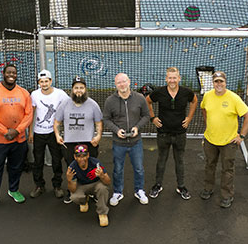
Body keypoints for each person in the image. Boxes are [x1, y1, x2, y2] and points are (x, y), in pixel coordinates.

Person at [0, 64, 33, 212]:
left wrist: (17, 130)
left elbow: (29, 115)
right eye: (9, 72)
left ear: (16, 75)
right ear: (3, 73)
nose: (11, 75)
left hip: (19, 139)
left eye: (14, 73)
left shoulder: (24, 93)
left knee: (15, 167)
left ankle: (13, 189)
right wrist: (5, 131)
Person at [199, 71, 248, 209]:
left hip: (229, 142)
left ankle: (227, 195)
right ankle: (208, 188)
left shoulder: (233, 98)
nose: (218, 84)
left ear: (225, 82)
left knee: (227, 169)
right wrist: (208, 126)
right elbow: (204, 110)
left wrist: (241, 136)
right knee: (209, 165)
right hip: (210, 140)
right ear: (213, 83)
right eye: (216, 81)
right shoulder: (207, 96)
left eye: (221, 81)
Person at [146, 67, 198, 200]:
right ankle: (158, 185)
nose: (172, 80)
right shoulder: (160, 92)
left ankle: (181, 186)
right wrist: (153, 118)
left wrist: (189, 118)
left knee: (179, 161)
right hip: (163, 133)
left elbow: (194, 101)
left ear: (179, 78)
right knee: (161, 160)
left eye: (175, 77)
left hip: (180, 133)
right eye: (170, 78)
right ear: (166, 79)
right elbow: (147, 101)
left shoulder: (186, 92)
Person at [54, 76, 103, 202]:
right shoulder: (64, 104)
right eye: (76, 88)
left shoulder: (93, 104)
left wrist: (97, 136)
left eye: (81, 87)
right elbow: (57, 122)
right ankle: (72, 191)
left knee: (91, 167)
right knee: (72, 168)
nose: (79, 90)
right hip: (70, 142)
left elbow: (98, 123)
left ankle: (92, 192)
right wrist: (58, 135)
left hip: (88, 142)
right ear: (72, 89)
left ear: (85, 89)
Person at [103, 72, 150, 206]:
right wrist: (117, 130)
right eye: (119, 82)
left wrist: (137, 128)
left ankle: (139, 190)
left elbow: (146, 116)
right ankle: (118, 192)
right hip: (119, 143)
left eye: (124, 81)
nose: (122, 85)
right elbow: (106, 119)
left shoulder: (140, 98)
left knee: (139, 168)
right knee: (118, 169)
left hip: (136, 142)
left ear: (129, 82)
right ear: (115, 85)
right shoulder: (110, 101)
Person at [29, 69, 68, 199]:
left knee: (56, 160)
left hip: (53, 133)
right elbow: (31, 114)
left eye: (46, 81)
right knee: (38, 161)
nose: (44, 84)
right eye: (41, 81)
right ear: (39, 83)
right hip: (38, 133)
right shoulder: (34, 94)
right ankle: (39, 185)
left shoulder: (60, 94)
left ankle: (57, 185)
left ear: (50, 81)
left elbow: (69, 106)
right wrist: (30, 132)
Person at [66, 144, 112, 227]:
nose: (82, 159)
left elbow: (108, 182)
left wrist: (102, 176)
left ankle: (102, 213)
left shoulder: (96, 163)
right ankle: (84, 201)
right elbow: (72, 190)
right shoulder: (72, 167)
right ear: (75, 157)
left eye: (84, 156)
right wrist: (69, 181)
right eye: (79, 156)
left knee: (103, 188)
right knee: (74, 197)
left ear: (88, 155)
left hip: (95, 184)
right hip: (81, 186)